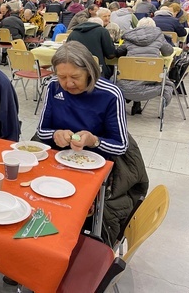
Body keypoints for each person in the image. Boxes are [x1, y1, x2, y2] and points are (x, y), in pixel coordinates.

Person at [35, 42, 147, 242]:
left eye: (75, 77)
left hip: (97, 166)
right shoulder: (53, 87)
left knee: (76, 207)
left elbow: (121, 145)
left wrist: (94, 140)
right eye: (62, 77)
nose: (68, 84)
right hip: (58, 160)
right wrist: (55, 134)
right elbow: (42, 130)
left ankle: (75, 242)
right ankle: (41, 240)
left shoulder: (110, 94)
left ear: (89, 71)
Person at [115, 18, 174, 115]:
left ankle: (133, 103)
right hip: (151, 80)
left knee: (133, 72)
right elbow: (168, 52)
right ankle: (137, 104)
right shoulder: (158, 36)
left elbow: (118, 52)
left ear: (138, 26)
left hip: (127, 82)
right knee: (148, 73)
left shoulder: (130, 36)